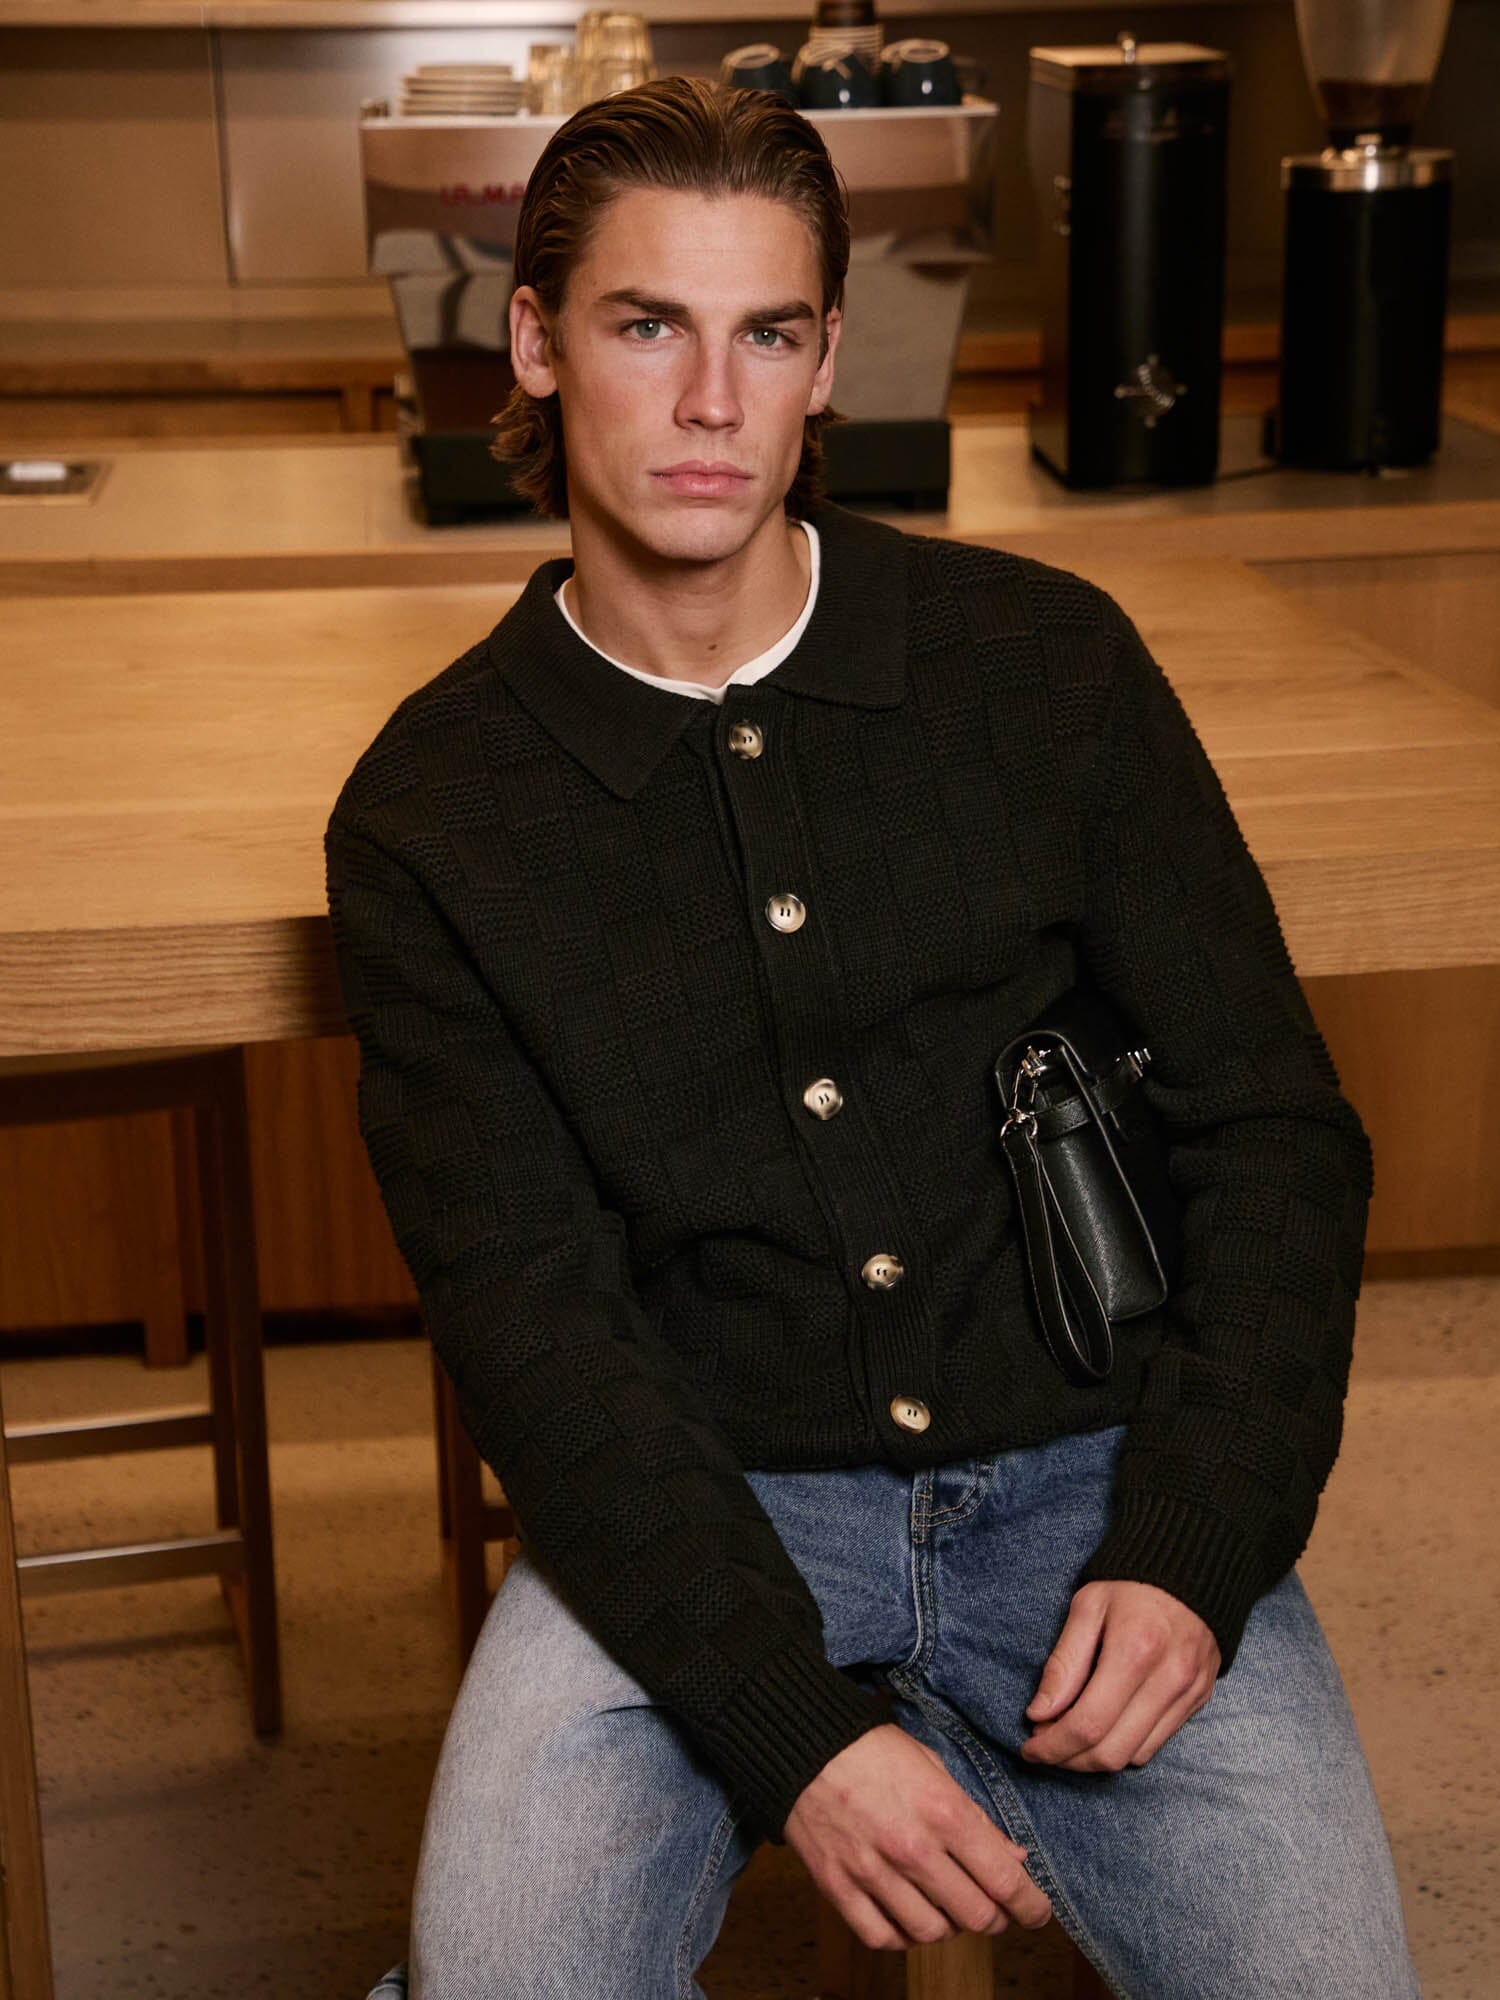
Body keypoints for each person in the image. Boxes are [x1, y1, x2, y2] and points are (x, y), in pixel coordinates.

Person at [327, 75, 1422, 2000]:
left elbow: (1274, 1133)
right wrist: (790, 1728)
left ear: (828, 359)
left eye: (766, 335)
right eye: (647, 326)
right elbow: (534, 1333)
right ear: (534, 340)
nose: (709, 401)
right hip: (701, 1491)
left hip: (1094, 1473)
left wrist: (1195, 1539)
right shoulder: (435, 814)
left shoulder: (1044, 666)